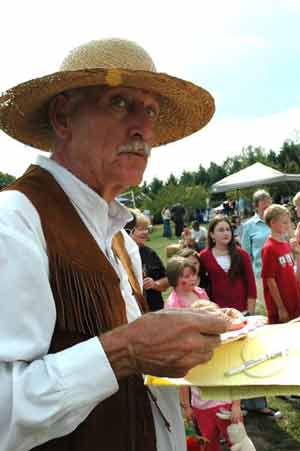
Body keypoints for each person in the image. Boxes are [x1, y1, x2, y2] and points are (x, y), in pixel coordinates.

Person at [0, 38, 232, 451]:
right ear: (62, 117)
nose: (143, 127)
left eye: (151, 111)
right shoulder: (13, 222)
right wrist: (124, 350)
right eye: (120, 103)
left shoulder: (119, 236)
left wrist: (189, 329)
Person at [165, 256, 243, 451]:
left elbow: (212, 316)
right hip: (193, 352)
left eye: (194, 275)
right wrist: (186, 405)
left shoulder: (200, 293)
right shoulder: (173, 304)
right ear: (175, 280)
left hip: (212, 348)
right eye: (187, 277)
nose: (193, 280)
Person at [199, 216, 257, 314]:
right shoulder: (204, 256)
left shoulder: (242, 255)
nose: (226, 233)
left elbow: (251, 285)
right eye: (221, 230)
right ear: (212, 234)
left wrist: (250, 312)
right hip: (217, 311)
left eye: (228, 230)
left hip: (242, 310)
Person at [262, 204, 300, 324]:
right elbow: (270, 280)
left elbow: (292, 275)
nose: (288, 225)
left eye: (288, 222)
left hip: (293, 301)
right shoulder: (269, 248)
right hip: (281, 306)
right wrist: (281, 307)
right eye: (284, 222)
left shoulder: (285, 244)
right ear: (273, 223)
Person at [130, 212, 169, 311]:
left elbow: (166, 281)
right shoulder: (120, 256)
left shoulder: (150, 253)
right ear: (128, 231)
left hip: (154, 310)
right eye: (140, 229)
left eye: (146, 228)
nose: (145, 232)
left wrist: (155, 284)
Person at [241, 190, 272, 307]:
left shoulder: (277, 221)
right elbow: (246, 254)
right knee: (267, 308)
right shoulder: (249, 225)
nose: (268, 209)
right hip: (260, 275)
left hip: (281, 271)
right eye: (264, 207)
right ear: (256, 207)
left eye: (269, 205)